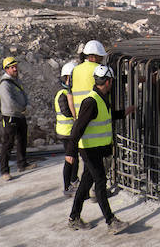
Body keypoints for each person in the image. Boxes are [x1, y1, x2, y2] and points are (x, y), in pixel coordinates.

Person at [66, 64, 136, 234]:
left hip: (96, 149)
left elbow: (106, 116)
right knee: (100, 182)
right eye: (112, 81)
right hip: (89, 150)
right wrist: (70, 152)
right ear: (108, 81)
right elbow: (78, 128)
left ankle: (73, 218)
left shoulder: (101, 98)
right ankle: (111, 221)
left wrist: (124, 112)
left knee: (85, 184)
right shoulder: (91, 101)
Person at [0, 56, 35, 181]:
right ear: (6, 69)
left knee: (22, 140)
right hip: (11, 116)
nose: (15, 69)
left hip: (20, 115)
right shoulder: (5, 84)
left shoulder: (16, 81)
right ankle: (4, 171)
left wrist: (27, 105)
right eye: (12, 67)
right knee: (8, 143)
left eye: (15, 66)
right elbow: (10, 102)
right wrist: (22, 109)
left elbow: (24, 95)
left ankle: (22, 164)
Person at [55, 61, 79, 196]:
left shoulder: (69, 93)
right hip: (66, 132)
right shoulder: (63, 95)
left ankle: (74, 180)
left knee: (74, 158)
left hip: (71, 131)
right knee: (70, 159)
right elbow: (68, 112)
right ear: (67, 78)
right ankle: (67, 186)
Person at [70, 40, 106, 116]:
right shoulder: (100, 70)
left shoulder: (75, 70)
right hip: (97, 113)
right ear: (94, 57)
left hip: (79, 114)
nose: (102, 59)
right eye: (101, 57)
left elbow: (69, 93)